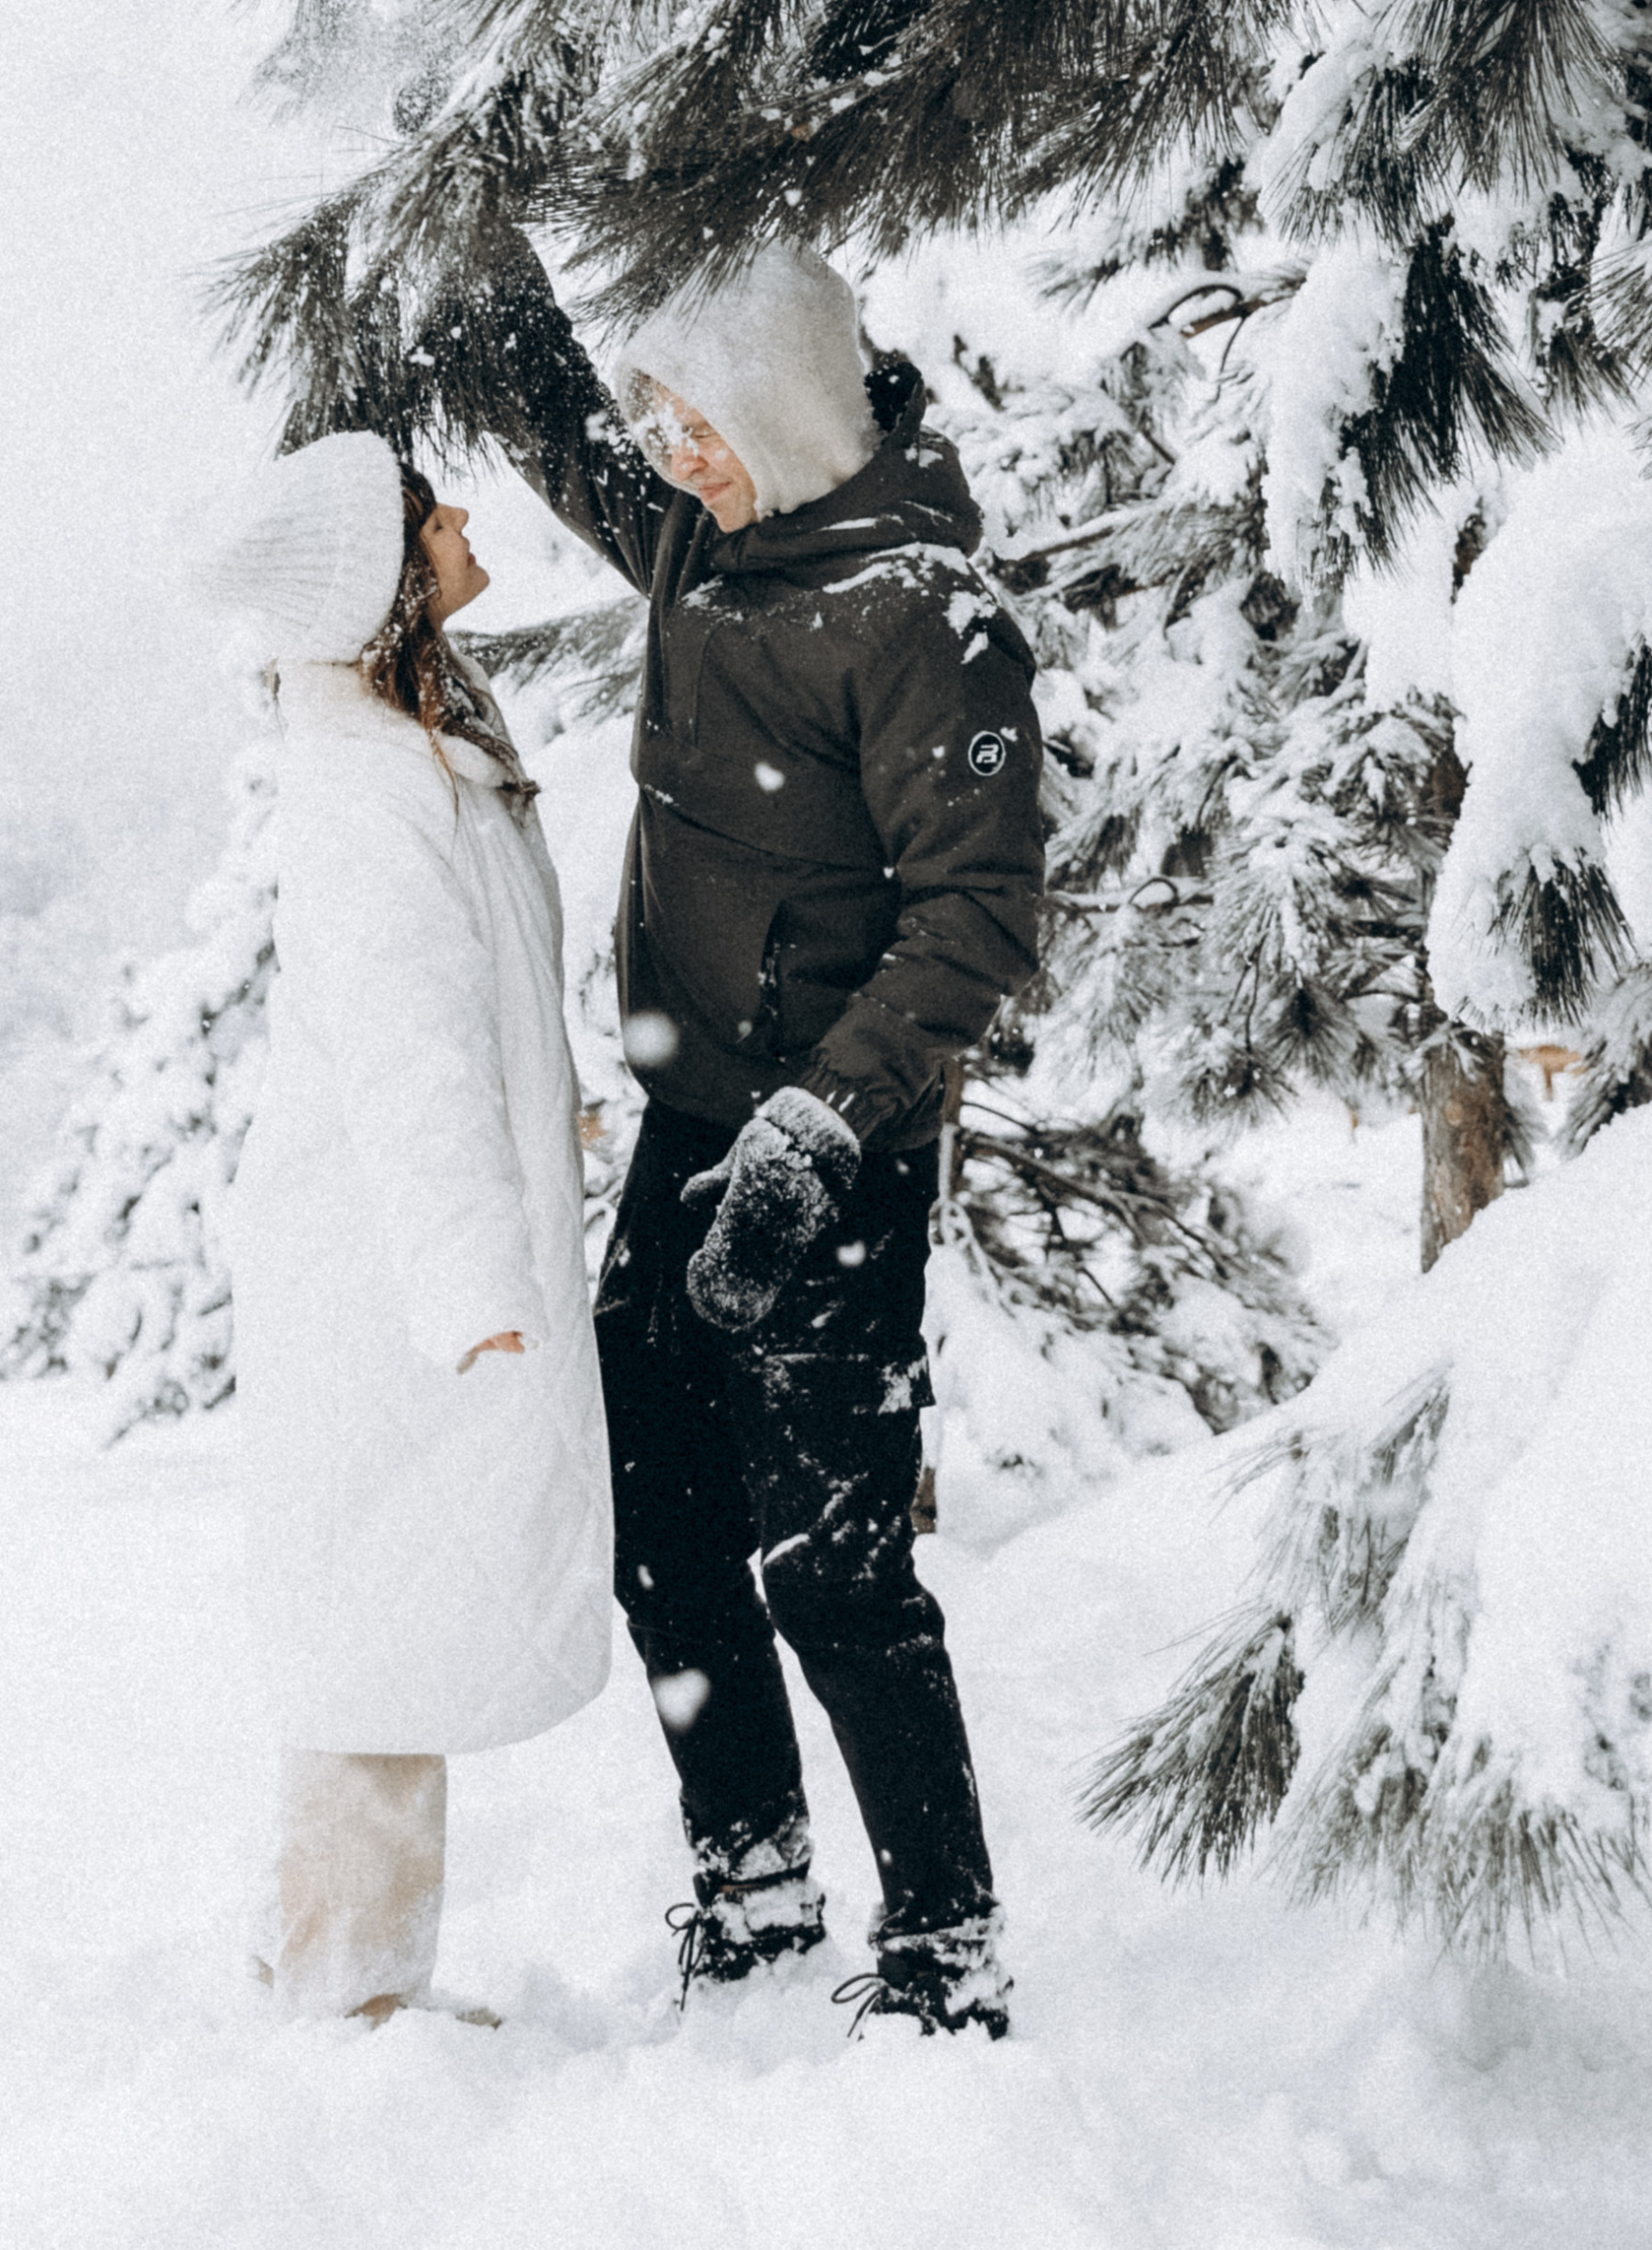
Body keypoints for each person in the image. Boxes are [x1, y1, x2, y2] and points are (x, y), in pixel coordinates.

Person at [491, 235, 1045, 2037]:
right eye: (663, 414)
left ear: (788, 413)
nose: (668, 450)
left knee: (835, 1562)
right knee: (656, 1520)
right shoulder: (707, 539)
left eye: (700, 418)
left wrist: (819, 1133)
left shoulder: (918, 617)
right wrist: (463, 250)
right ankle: (751, 1875)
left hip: (836, 1154)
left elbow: (977, 919)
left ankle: (946, 1949)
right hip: (689, 1130)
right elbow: (564, 434)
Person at [208, 430, 611, 2023]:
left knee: (390, 1613)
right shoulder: (373, 786)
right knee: (380, 1626)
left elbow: (477, 1020)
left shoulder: (410, 740)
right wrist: (472, 1282)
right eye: (421, 511)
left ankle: (327, 1958)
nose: (458, 517)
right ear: (373, 585)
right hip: (385, 1272)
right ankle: (345, 1996)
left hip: (413, 1258)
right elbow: (407, 1059)